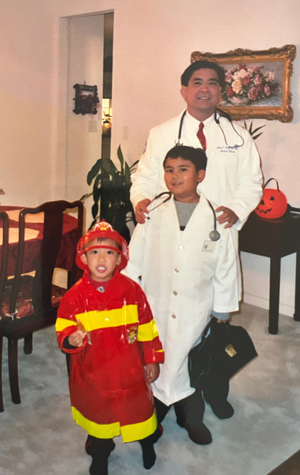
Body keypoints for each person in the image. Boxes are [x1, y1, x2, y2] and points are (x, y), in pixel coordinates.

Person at [124, 145, 240, 446]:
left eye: (183, 169)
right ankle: (154, 411)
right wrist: (123, 298)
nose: (175, 176)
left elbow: (226, 267)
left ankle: (191, 418)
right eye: (169, 170)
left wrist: (222, 311)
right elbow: (133, 260)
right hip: (155, 303)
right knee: (155, 358)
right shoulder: (153, 212)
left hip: (195, 308)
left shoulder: (218, 219)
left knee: (189, 365)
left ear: (200, 175)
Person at [130, 60, 263, 295]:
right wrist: (141, 199)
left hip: (217, 227)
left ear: (220, 92)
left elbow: (252, 182)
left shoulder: (239, 138)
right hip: (170, 225)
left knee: (212, 297)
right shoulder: (161, 134)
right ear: (184, 91)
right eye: (197, 83)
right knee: (167, 292)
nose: (205, 89)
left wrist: (237, 209)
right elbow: (145, 178)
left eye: (212, 83)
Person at [56, 221, 164, 475]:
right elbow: (64, 327)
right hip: (95, 374)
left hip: (131, 370)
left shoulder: (132, 291)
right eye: (94, 252)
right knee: (100, 420)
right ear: (84, 258)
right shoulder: (74, 296)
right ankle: (100, 454)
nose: (101, 258)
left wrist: (152, 358)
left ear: (119, 259)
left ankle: (147, 444)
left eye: (109, 252)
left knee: (141, 415)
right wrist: (71, 339)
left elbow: (147, 327)